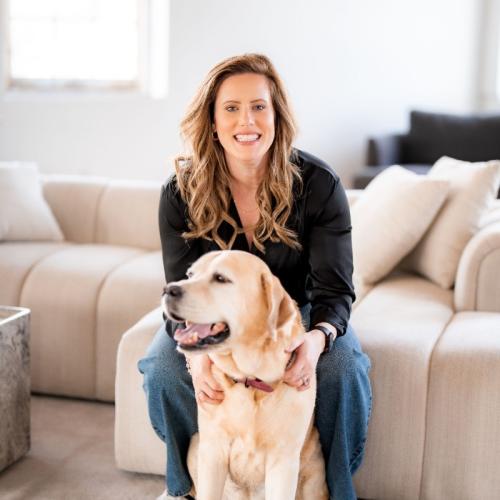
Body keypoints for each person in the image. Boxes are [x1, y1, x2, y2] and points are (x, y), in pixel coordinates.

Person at [138, 53, 372, 500]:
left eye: (259, 106)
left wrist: (317, 339)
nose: (246, 121)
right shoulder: (179, 193)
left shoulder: (319, 185)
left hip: (294, 312)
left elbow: (335, 291)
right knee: (164, 369)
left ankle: (338, 491)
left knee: (344, 369)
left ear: (276, 115)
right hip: (208, 316)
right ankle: (186, 487)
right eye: (231, 108)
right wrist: (197, 357)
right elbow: (180, 294)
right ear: (212, 121)